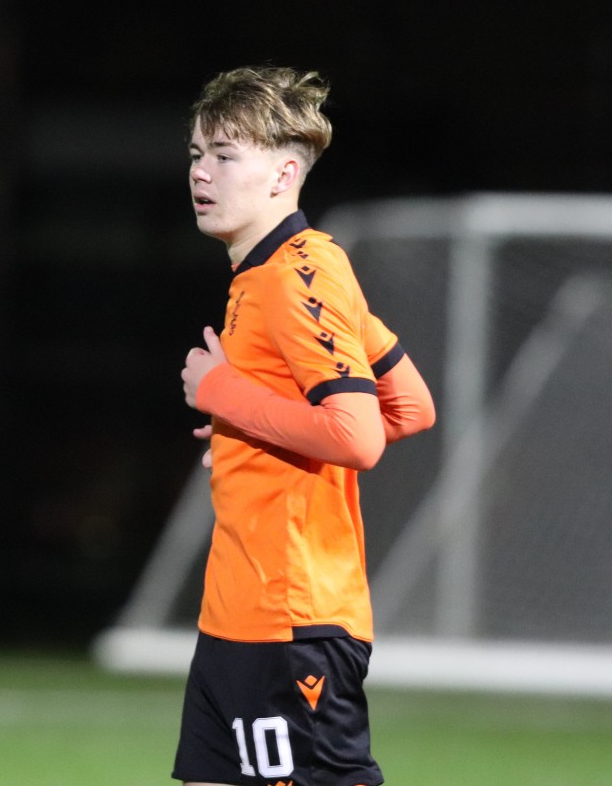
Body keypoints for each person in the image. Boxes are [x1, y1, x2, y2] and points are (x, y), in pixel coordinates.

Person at [176, 66, 436, 786]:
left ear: (284, 172)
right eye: (198, 153)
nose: (202, 171)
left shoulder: (299, 271)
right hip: (238, 615)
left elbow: (361, 436)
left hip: (292, 619)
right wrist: (244, 424)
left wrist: (222, 391)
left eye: (226, 155)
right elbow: (410, 403)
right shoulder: (265, 274)